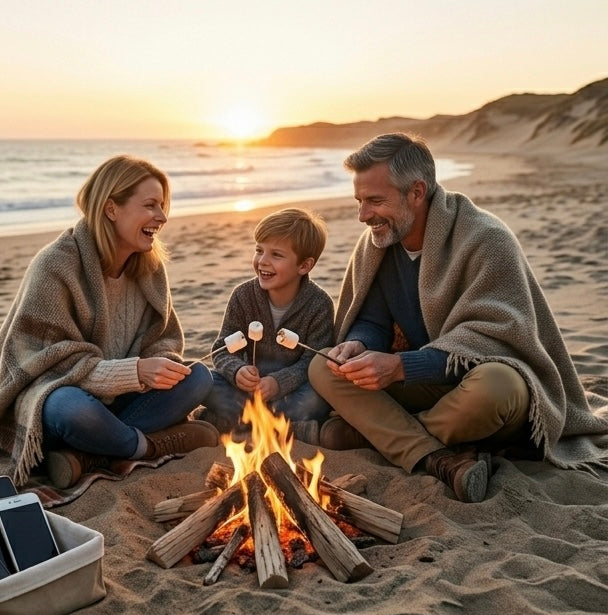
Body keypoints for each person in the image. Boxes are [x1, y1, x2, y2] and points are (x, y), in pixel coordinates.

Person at [309, 133, 608, 503]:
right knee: (323, 367)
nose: (363, 215)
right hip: (426, 384)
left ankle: (376, 434)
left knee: (496, 387)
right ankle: (437, 455)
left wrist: (400, 366)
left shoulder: (486, 239)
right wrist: (359, 344)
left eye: (375, 200)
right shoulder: (378, 242)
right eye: (358, 201)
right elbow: (372, 320)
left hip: (478, 381)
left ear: (416, 192)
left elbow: (497, 338)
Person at [0, 155, 218, 490]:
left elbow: (164, 338)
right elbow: (45, 363)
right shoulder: (56, 265)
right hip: (50, 396)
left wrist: (160, 367)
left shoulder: (149, 268)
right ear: (112, 208)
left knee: (198, 378)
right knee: (72, 409)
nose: (162, 217)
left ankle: (88, 456)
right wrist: (135, 371)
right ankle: (149, 445)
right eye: (151, 205)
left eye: (163, 205)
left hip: (122, 398)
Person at [202, 207, 333, 443]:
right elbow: (221, 349)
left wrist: (278, 383)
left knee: (318, 397)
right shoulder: (243, 296)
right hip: (246, 392)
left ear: (304, 266)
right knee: (204, 381)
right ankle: (286, 429)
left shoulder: (319, 304)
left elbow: (312, 363)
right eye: (259, 250)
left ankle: (237, 424)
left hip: (291, 393)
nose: (262, 261)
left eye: (276, 255)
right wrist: (237, 371)